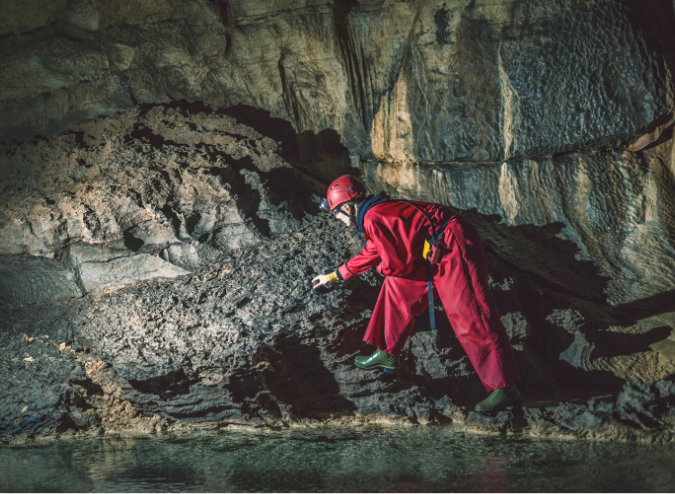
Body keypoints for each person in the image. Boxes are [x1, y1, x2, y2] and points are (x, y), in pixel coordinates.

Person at [312, 175, 522, 412]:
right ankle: (387, 353)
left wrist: (382, 268)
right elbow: (371, 252)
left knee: (468, 313)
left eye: (336, 212)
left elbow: (396, 265)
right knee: (397, 287)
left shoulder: (373, 217)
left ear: (348, 206)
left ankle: (504, 388)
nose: (337, 219)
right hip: (433, 250)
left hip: (452, 245)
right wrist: (332, 276)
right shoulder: (374, 215)